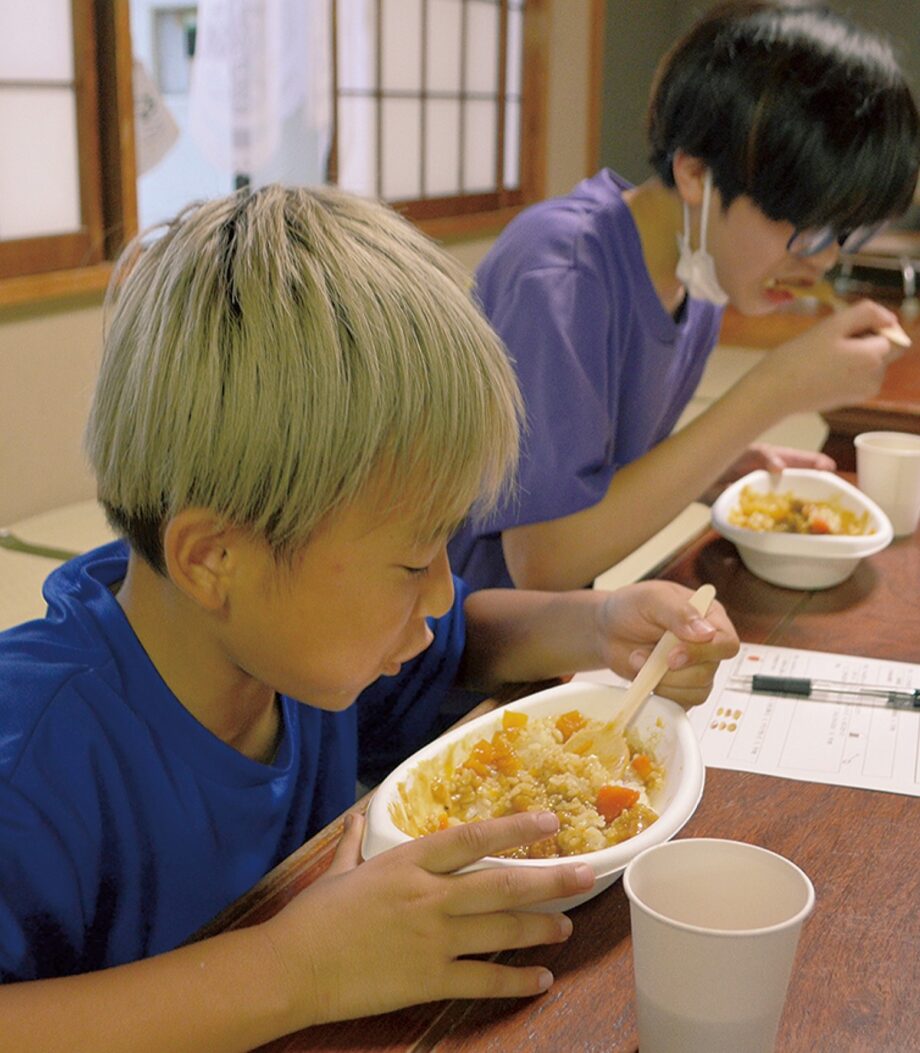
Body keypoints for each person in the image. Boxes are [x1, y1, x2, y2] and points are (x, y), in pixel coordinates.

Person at [0, 185, 738, 1051]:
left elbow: (465, 637)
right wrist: (297, 970)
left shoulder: (298, 645)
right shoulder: (33, 757)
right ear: (213, 558)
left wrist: (600, 621)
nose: (438, 591)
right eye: (412, 560)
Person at [448, 0, 920, 592]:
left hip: (542, 631)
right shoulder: (560, 273)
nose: (823, 259)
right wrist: (772, 391)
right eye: (805, 227)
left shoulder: (700, 276)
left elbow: (593, 475)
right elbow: (545, 561)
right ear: (696, 173)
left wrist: (708, 471)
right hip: (437, 652)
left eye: (845, 233)